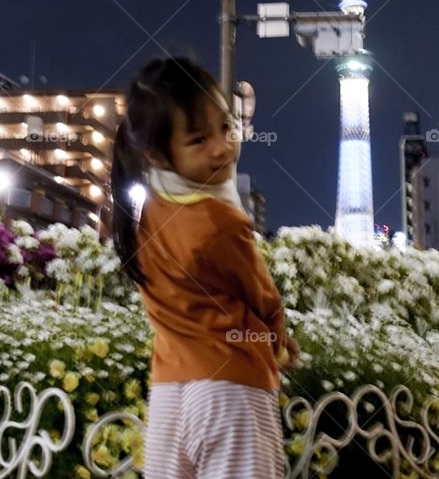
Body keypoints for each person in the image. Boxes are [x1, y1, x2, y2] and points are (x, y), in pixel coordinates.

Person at [111, 56, 300, 479]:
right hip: (230, 390)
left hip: (169, 390)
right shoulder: (220, 221)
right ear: (158, 153)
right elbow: (262, 298)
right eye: (199, 139)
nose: (222, 146)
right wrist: (281, 342)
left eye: (226, 128)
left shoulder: (145, 217)